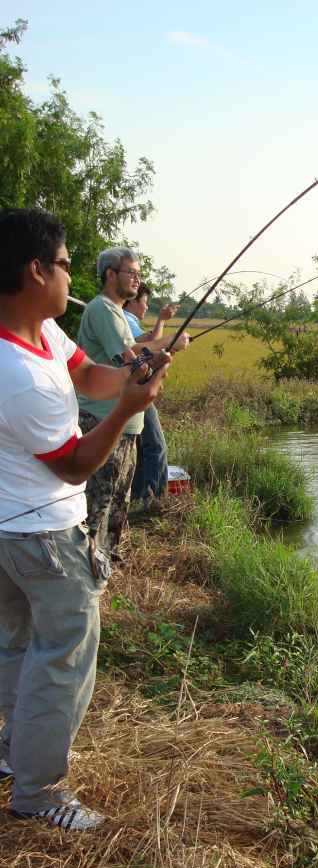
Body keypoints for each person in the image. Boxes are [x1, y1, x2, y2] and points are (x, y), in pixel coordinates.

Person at [0, 208, 170, 830]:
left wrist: (135, 370)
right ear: (36, 268)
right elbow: (74, 465)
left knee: (18, 647)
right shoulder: (16, 373)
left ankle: (12, 753)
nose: (72, 277)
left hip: (15, 531)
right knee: (63, 656)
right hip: (42, 537)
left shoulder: (44, 335)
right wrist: (130, 406)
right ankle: (39, 793)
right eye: (67, 264)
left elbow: (91, 375)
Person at [77, 248, 188, 561]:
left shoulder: (117, 312)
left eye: (139, 273)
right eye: (131, 272)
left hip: (125, 424)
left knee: (118, 508)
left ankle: (106, 569)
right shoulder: (103, 309)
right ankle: (89, 573)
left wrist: (160, 356)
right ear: (110, 274)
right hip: (103, 420)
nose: (138, 279)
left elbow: (140, 358)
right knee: (97, 508)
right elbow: (131, 361)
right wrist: (168, 344)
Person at [123, 283, 176, 503]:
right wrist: (162, 320)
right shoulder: (126, 319)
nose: (146, 307)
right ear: (133, 301)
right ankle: (154, 499)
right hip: (138, 388)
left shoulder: (127, 320)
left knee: (143, 446)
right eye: (144, 302)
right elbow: (150, 345)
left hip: (136, 387)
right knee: (155, 445)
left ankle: (140, 495)